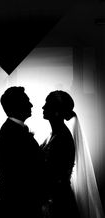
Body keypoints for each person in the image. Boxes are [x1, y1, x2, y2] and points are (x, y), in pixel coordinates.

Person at [0, 86, 43, 218]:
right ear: (17, 105)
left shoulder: (13, 128)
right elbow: (22, 173)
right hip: (18, 205)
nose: (31, 104)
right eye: (27, 101)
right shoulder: (13, 132)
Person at [41, 90, 79, 218]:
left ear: (57, 111)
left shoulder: (62, 138)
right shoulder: (54, 134)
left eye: (47, 104)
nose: (43, 107)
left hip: (58, 202)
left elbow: (56, 175)